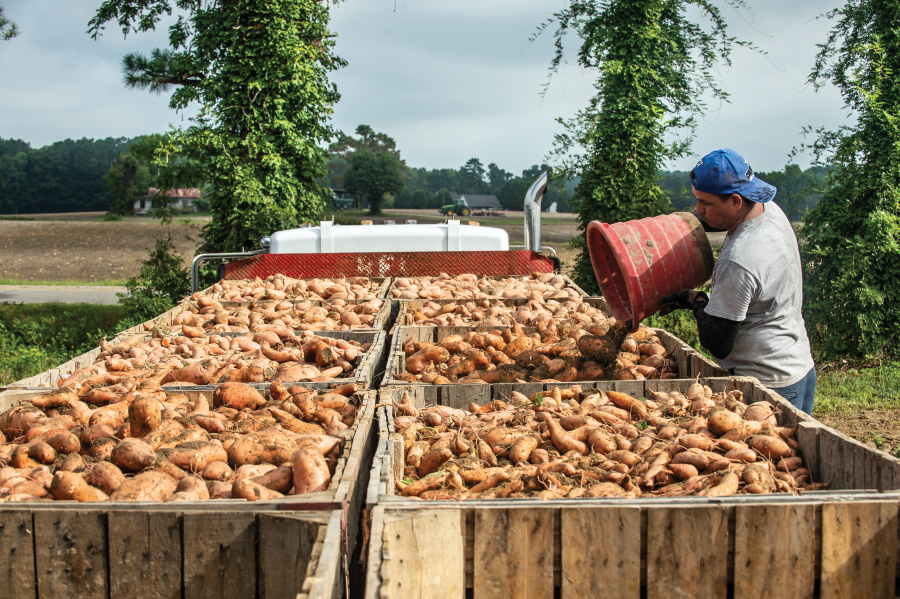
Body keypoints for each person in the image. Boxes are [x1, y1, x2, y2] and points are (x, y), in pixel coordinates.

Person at [659, 148, 816, 414]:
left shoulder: (741, 259)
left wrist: (695, 300)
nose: (698, 211)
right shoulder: (768, 210)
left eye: (706, 203)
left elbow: (718, 341)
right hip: (798, 366)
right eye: (697, 200)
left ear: (734, 201)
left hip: (766, 385)